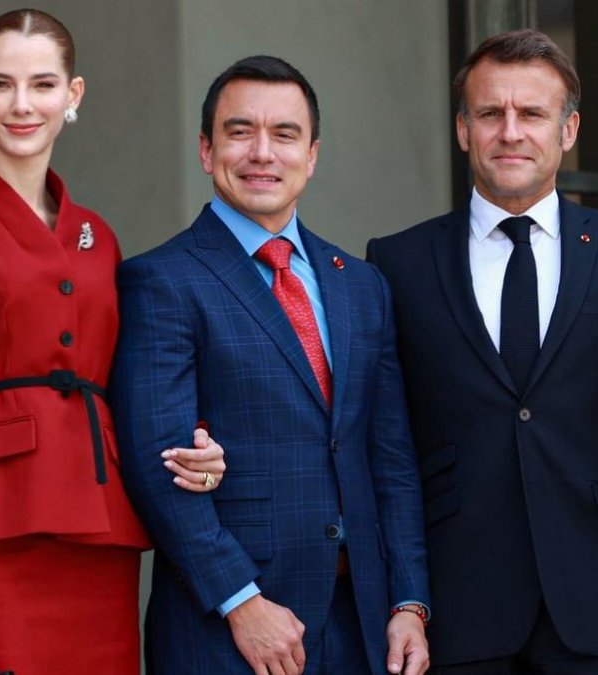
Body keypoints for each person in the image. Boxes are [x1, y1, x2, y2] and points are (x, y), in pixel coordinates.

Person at [0, 10, 221, 675]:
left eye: (42, 84)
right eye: (2, 85)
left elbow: (131, 382)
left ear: (74, 96)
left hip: (100, 530)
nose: (21, 104)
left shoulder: (98, 234)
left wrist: (196, 439)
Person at [110, 55, 431, 675]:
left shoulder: (362, 285)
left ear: (311, 156)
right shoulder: (162, 281)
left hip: (362, 627)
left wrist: (409, 601)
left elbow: (390, 460)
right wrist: (241, 601)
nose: (263, 152)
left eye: (284, 134)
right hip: (229, 633)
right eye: (239, 131)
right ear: (207, 150)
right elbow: (160, 465)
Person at [366, 30, 598, 674]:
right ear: (462, 130)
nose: (510, 131)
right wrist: (407, 597)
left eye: (531, 113)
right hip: (455, 612)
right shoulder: (398, 262)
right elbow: (382, 444)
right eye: (489, 113)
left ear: (568, 130)